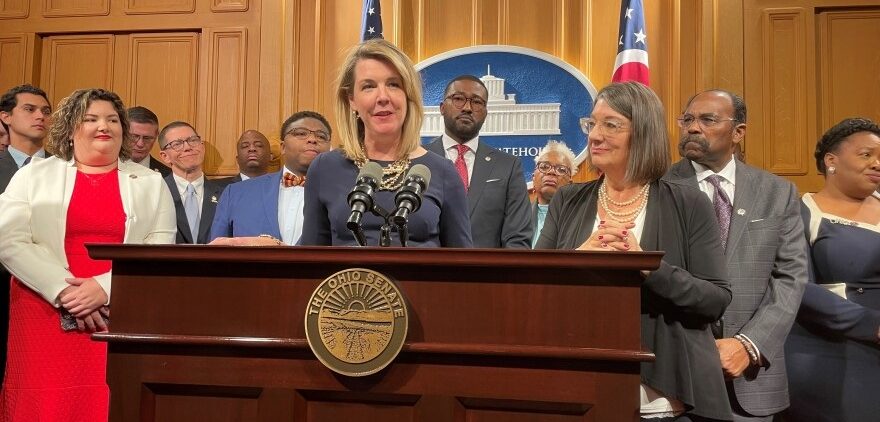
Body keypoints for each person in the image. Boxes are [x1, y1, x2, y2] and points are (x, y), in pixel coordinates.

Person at [536, 81, 732, 421]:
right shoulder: (567, 200)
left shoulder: (688, 203)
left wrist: (648, 267)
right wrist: (578, 258)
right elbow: (533, 288)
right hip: (576, 389)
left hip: (660, 399)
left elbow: (715, 298)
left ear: (643, 133)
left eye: (611, 125)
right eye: (592, 123)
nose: (595, 135)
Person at [0, 88, 176, 420]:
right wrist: (64, 290)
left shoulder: (151, 182)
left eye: (112, 120)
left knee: (111, 403)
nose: (103, 126)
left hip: (119, 310)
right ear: (69, 128)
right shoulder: (32, 175)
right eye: (91, 119)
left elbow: (160, 249)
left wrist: (104, 289)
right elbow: (9, 240)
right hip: (42, 306)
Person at [665, 90, 808, 421]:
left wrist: (748, 345)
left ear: (739, 132)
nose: (693, 128)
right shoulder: (658, 186)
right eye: (687, 119)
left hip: (748, 379)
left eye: (708, 120)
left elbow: (791, 278)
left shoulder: (777, 192)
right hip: (672, 377)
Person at [300, 39, 472, 247]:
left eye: (393, 84)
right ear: (351, 100)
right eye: (369, 86)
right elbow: (310, 260)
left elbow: (462, 264)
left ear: (408, 96)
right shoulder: (324, 168)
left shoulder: (442, 171)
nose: (383, 97)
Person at [784, 117, 880, 422]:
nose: (877, 164)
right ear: (831, 161)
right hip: (833, 355)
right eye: (866, 155)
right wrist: (873, 325)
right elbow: (796, 285)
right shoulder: (801, 211)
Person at [425, 74, 532, 248]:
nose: (467, 108)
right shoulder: (418, 160)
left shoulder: (508, 166)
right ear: (442, 107)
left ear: (485, 113)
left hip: (488, 274)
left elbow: (518, 240)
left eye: (477, 102)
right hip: (425, 273)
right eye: (458, 98)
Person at [210, 112, 332, 245]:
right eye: (301, 133)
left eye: (321, 136)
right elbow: (215, 253)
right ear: (283, 147)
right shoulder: (235, 193)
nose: (312, 139)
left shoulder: (346, 194)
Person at [0, 84, 52, 385]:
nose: (40, 116)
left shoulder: (66, 168)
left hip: (48, 291)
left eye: (45, 111)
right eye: (29, 109)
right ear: (6, 117)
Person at [159, 121, 227, 244]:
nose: (187, 147)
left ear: (202, 147)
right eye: (177, 144)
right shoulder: (156, 193)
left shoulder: (225, 195)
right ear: (165, 156)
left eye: (193, 140)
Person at [530, 140, 576, 248]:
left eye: (561, 169)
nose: (551, 172)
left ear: (570, 184)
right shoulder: (518, 216)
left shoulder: (578, 219)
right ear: (533, 177)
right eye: (544, 167)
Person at [127, 106, 171, 176]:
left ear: (157, 135)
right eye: (134, 136)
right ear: (121, 133)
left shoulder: (168, 176)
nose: (140, 144)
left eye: (147, 138)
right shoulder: (104, 169)